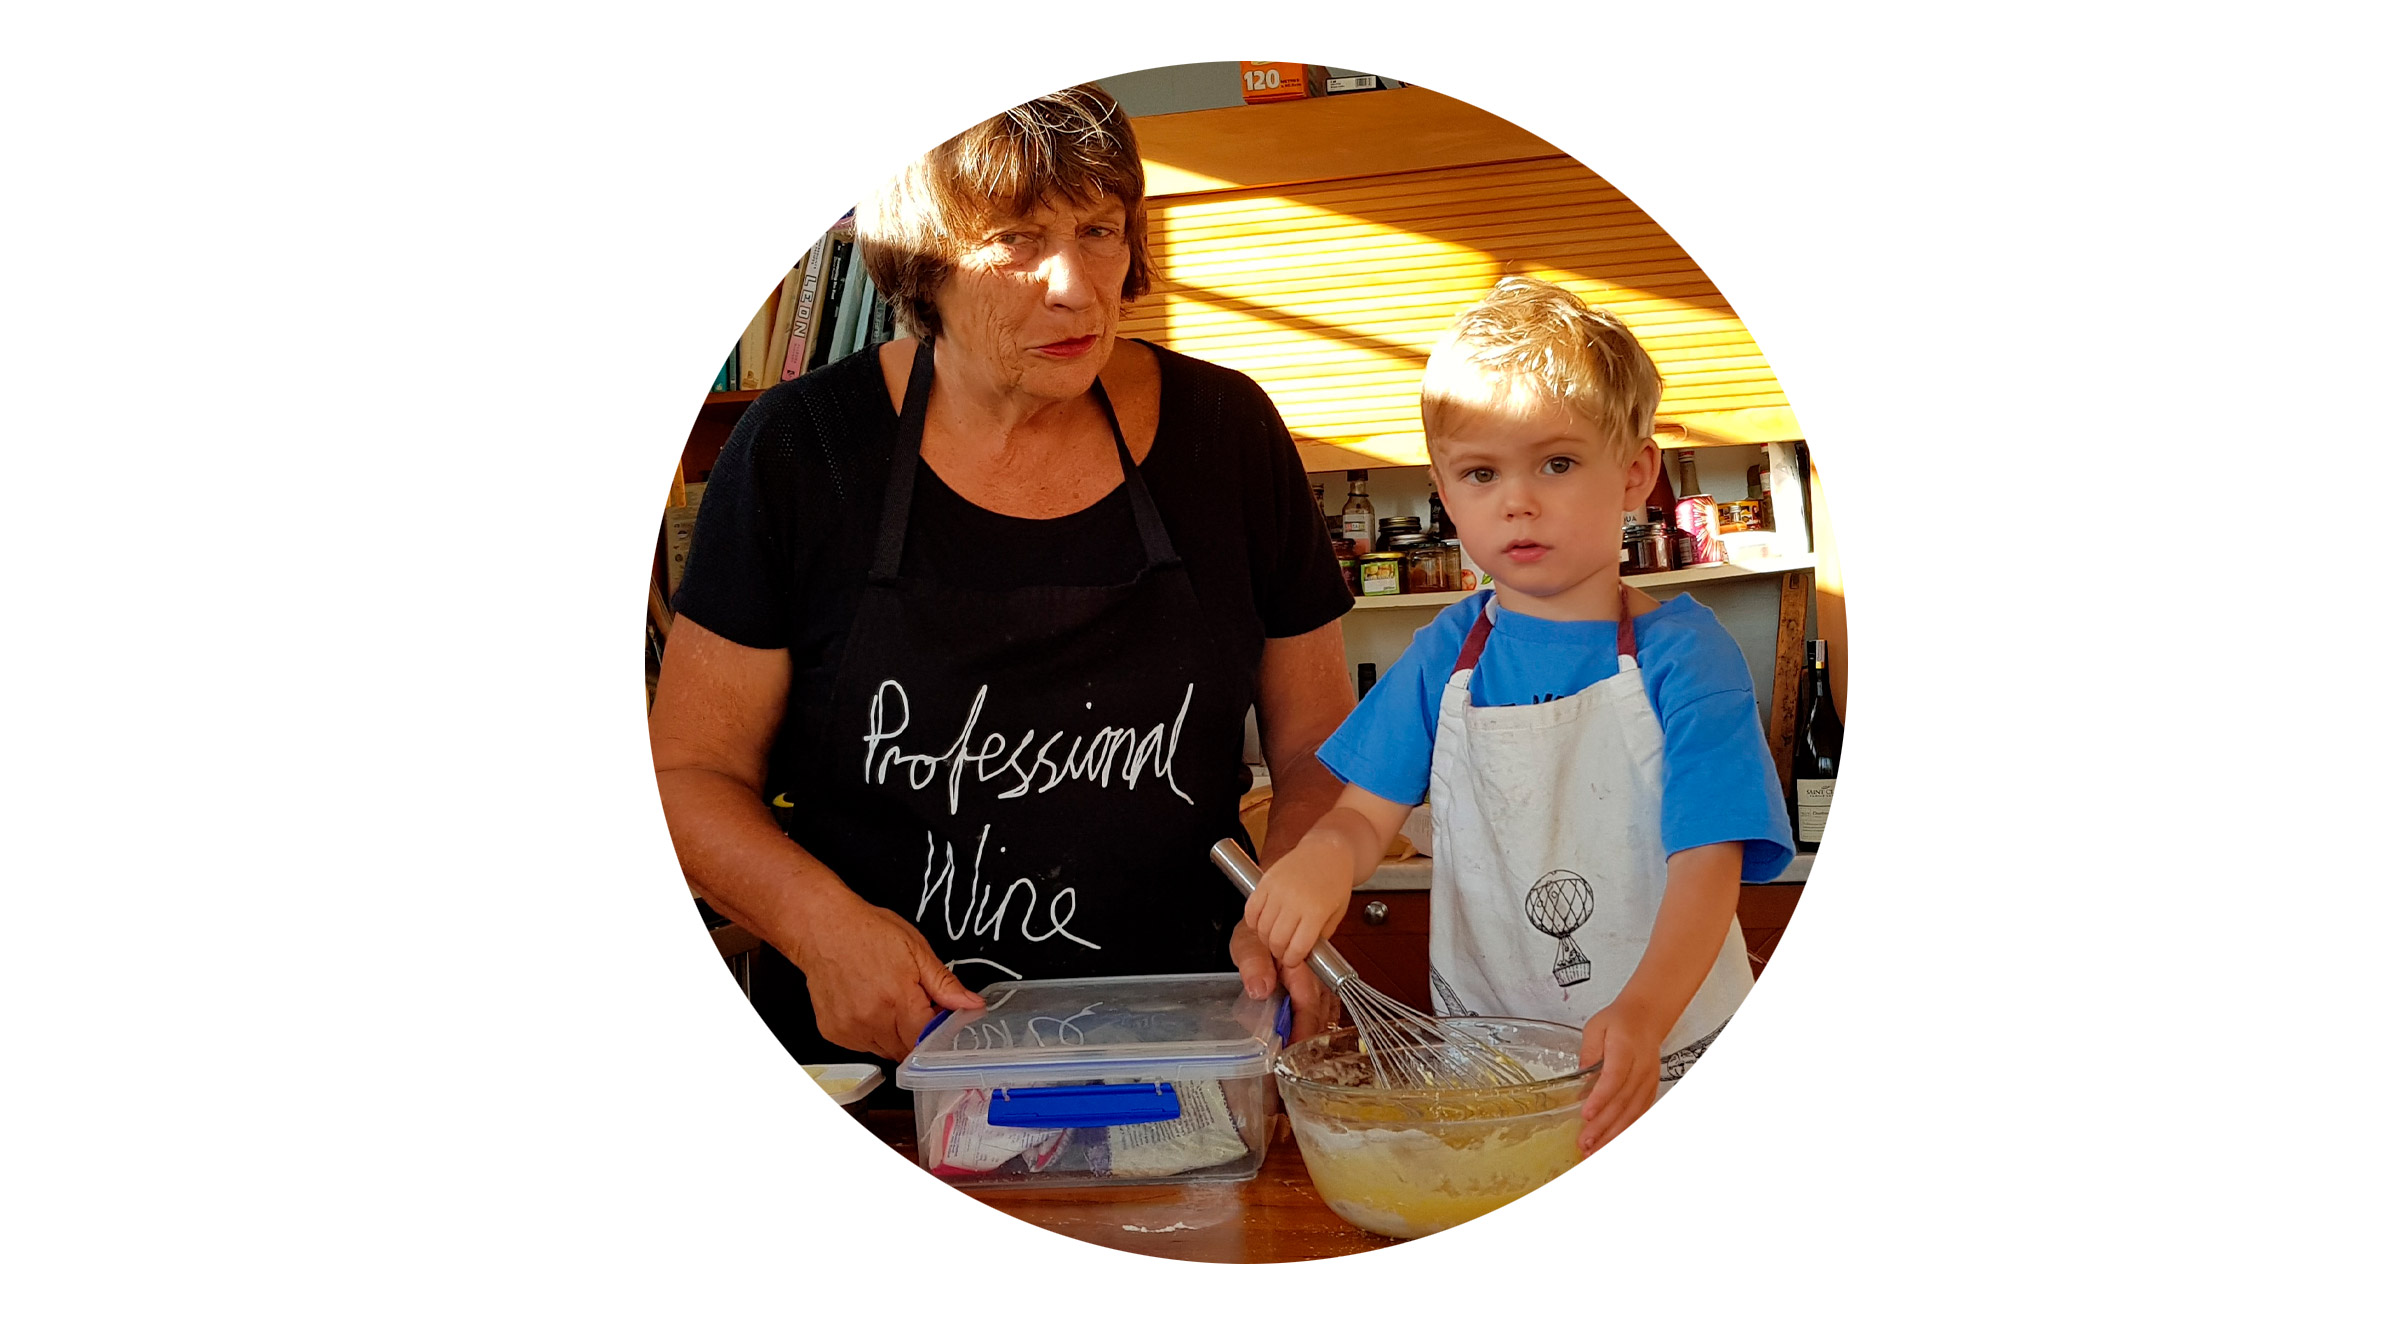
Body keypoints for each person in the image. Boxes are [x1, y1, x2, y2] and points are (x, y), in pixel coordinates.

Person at [650, 85, 1354, 1081]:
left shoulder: (1225, 434)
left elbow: (1319, 748)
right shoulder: (802, 453)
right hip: (889, 1068)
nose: (1075, 285)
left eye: (1100, 229)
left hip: (1190, 1050)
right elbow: (688, 776)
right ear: (922, 261)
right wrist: (817, 927)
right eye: (1016, 240)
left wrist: (1294, 901)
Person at [1242, 277, 1794, 1153]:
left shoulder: (1687, 656)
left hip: (1674, 1046)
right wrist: (1321, 862)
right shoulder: (1444, 656)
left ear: (1636, 474)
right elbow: (1359, 817)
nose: (1518, 500)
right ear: (1446, 493)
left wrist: (1645, 1013)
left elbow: (1707, 864)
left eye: (1559, 463)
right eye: (1481, 473)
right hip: (1494, 1069)